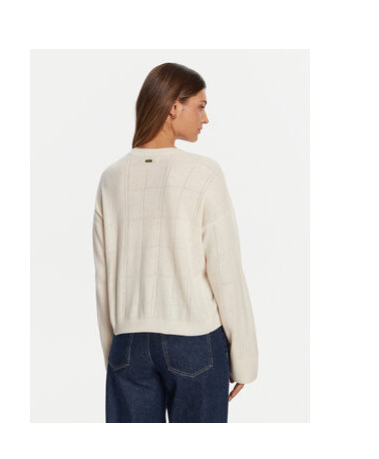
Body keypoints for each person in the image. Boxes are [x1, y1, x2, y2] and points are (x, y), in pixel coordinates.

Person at [92, 62, 259, 423]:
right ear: (173, 107)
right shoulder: (203, 173)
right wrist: (244, 358)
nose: (205, 118)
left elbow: (104, 280)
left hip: (129, 344)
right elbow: (225, 269)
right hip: (194, 341)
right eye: (200, 106)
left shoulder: (111, 178)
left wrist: (115, 356)